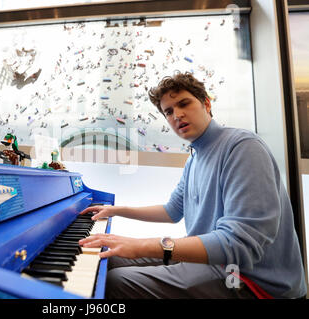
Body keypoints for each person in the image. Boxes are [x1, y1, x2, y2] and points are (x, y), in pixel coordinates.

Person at [79, 72, 307, 299]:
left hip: (249, 280)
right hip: (213, 262)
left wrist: (142, 245)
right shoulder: (194, 159)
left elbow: (238, 244)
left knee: (115, 282)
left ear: (206, 104)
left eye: (184, 103)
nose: (177, 115)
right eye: (168, 111)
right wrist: (116, 211)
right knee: (107, 258)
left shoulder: (243, 147)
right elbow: (172, 211)